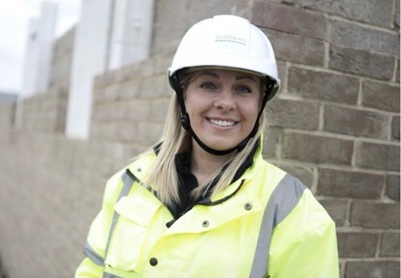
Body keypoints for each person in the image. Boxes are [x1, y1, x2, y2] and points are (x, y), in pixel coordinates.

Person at [75, 15, 339, 277]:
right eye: (208, 85)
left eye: (244, 89)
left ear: (260, 103)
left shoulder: (295, 213)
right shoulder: (128, 185)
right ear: (183, 96)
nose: (226, 103)